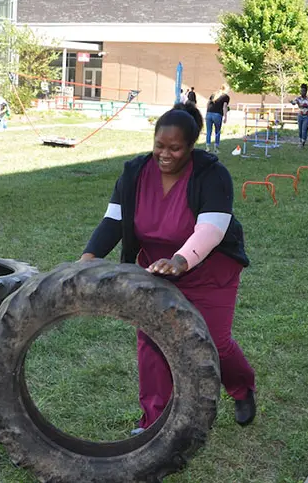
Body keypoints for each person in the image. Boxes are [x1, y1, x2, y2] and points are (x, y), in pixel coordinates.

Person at [80, 107, 257, 433]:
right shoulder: (134, 173)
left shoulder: (212, 175)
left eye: (174, 148)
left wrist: (180, 260)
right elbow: (114, 221)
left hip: (207, 271)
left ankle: (242, 389)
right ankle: (153, 423)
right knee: (152, 341)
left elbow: (211, 230)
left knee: (212, 342)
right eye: (159, 145)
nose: (165, 154)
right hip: (155, 270)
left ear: (191, 147)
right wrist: (88, 257)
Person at [290, 83, 308, 148]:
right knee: (300, 130)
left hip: (307, 116)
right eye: (301, 91)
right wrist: (291, 102)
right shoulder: (298, 98)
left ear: (306, 91)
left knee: (304, 130)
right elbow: (294, 103)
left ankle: (302, 143)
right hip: (300, 116)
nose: (302, 92)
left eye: (303, 91)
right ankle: (300, 141)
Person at [205, 87, 230, 153]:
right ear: (226, 89)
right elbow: (224, 106)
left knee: (208, 131)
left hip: (209, 113)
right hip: (217, 114)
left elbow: (208, 104)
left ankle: (207, 147)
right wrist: (225, 117)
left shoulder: (214, 94)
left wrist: (207, 113)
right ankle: (216, 148)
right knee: (217, 131)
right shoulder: (226, 97)